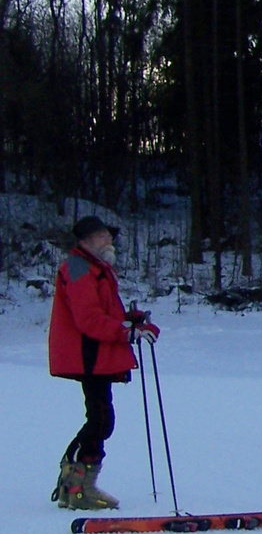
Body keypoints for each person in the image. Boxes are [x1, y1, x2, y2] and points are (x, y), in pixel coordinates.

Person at [47, 215, 158, 511]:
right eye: (101, 236)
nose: (108, 240)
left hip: (95, 353)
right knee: (100, 419)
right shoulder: (80, 267)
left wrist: (129, 321)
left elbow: (102, 313)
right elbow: (89, 319)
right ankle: (77, 485)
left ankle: (77, 483)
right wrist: (125, 332)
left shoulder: (95, 267)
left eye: (108, 235)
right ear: (85, 241)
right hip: (88, 353)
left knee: (99, 418)